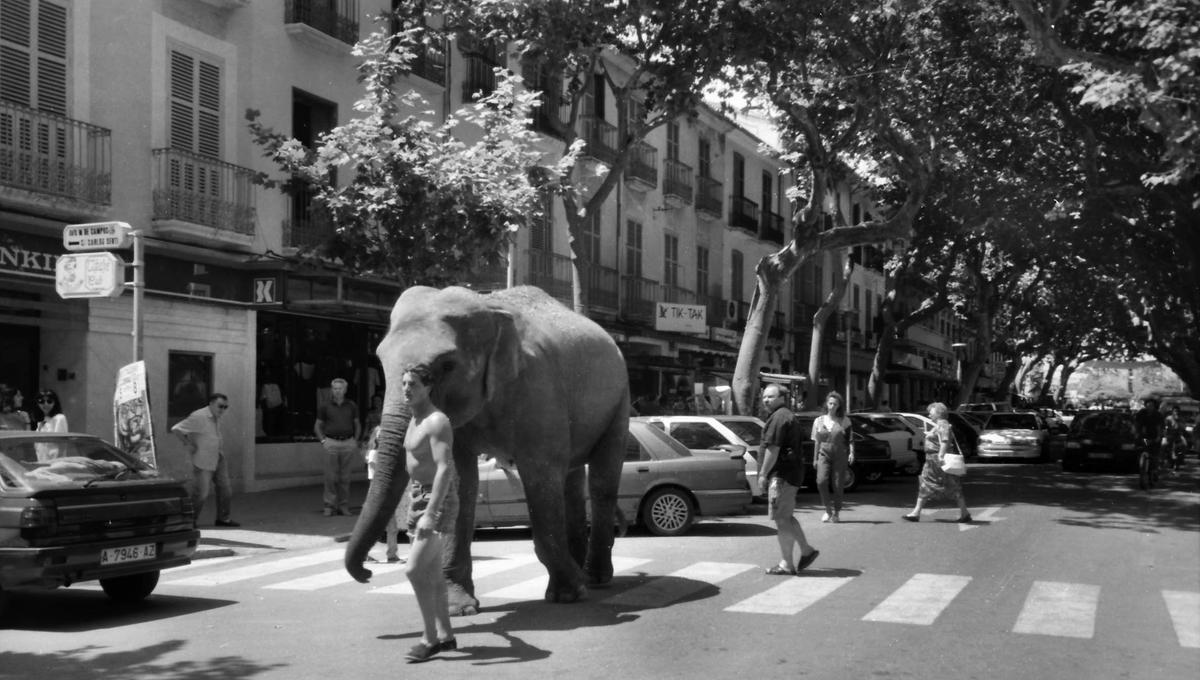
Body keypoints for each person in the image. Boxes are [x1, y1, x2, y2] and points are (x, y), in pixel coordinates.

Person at [399, 365, 459, 662]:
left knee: (414, 570)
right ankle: (446, 636)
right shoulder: (414, 419)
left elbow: (444, 469)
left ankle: (429, 638)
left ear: (428, 387)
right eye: (404, 383)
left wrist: (431, 513)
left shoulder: (437, 421)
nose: (406, 389)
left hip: (436, 500)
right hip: (417, 495)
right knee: (433, 573)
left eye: (413, 384)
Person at [759, 383, 819, 576]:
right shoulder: (784, 415)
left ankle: (788, 562)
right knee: (784, 517)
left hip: (782, 475)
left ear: (782, 398)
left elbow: (773, 449)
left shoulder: (779, 417)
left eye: (771, 396)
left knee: (782, 519)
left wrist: (763, 474)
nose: (766, 400)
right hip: (789, 474)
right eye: (764, 396)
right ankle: (805, 551)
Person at [171, 393, 239, 527]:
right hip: (203, 460)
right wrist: (188, 444)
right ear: (211, 404)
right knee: (201, 493)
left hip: (218, 457)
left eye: (225, 407)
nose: (223, 410)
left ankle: (223, 519)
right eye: (220, 406)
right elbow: (176, 429)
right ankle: (189, 521)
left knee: (225, 490)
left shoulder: (215, 416)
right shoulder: (199, 416)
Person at [902, 401, 970, 523]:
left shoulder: (942, 424)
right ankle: (916, 512)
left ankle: (916, 513)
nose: (929, 415)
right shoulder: (939, 424)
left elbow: (944, 441)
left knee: (943, 484)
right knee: (947, 484)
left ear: (939, 413)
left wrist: (940, 455)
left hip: (937, 461)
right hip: (932, 461)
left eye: (931, 413)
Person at [314, 377, 361, 516]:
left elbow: (357, 424)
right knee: (330, 477)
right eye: (335, 388)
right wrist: (323, 441)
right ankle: (329, 506)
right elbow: (317, 425)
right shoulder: (325, 406)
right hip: (331, 443)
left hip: (348, 443)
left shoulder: (351, 405)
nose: (337, 391)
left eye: (340, 388)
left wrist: (355, 441)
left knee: (345, 477)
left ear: (345, 390)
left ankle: (343, 505)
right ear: (332, 390)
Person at [811, 391, 854, 523]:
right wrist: (815, 459)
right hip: (824, 454)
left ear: (839, 406)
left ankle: (836, 512)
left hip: (840, 454)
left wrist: (852, 453)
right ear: (826, 404)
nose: (832, 406)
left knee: (837, 484)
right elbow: (817, 441)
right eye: (830, 403)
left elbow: (850, 439)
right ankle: (827, 510)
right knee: (821, 481)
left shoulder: (845, 421)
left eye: (835, 404)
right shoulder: (818, 421)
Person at [363, 424, 403, 564]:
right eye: (380, 435)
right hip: (377, 492)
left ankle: (392, 555)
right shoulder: (374, 454)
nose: (383, 437)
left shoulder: (386, 454)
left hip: (385, 491)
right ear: (375, 437)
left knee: (392, 527)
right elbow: (378, 475)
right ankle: (365, 554)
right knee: (374, 526)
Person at [1135, 397, 1167, 472]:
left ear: (1154, 406)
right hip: (1144, 437)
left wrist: (1158, 437)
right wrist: (1137, 434)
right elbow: (1137, 424)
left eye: (1151, 405)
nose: (1149, 407)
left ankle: (1156, 468)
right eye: (1148, 405)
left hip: (1154, 436)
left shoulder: (1158, 415)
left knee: (1155, 453)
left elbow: (1160, 427)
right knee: (1140, 449)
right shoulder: (1141, 413)